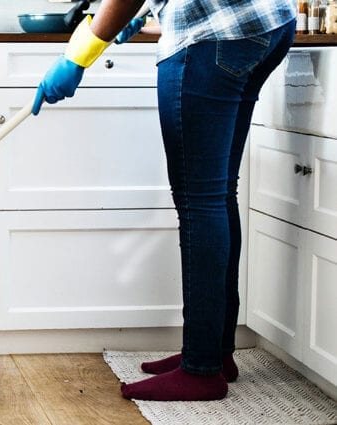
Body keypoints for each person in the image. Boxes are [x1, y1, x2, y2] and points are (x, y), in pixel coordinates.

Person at [33, 0, 297, 401]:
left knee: (200, 200)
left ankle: (201, 370)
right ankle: (214, 352)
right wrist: (141, 15)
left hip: (213, 37)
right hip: (266, 23)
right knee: (218, 192)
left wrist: (79, 53)